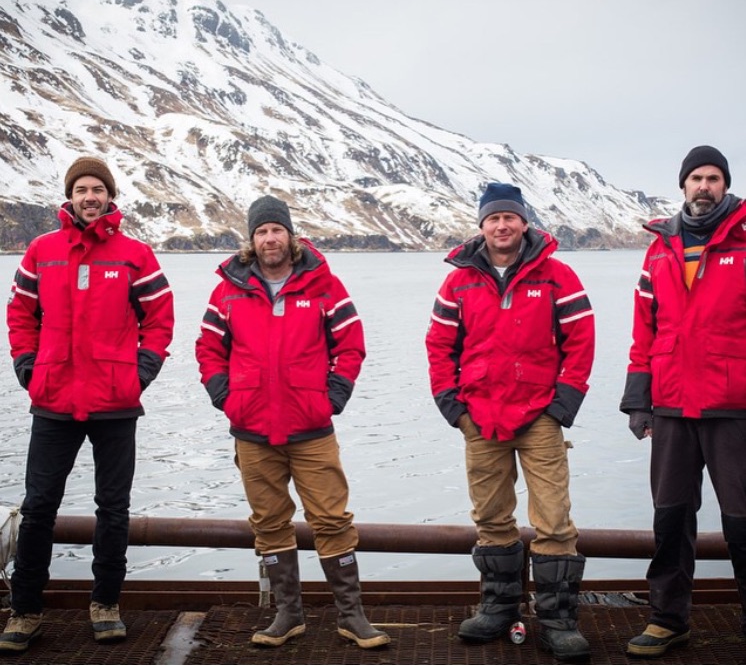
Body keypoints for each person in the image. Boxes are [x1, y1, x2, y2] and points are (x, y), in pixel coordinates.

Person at [195, 195, 389, 650]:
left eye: (276, 230)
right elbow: (208, 349)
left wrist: (333, 397)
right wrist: (226, 397)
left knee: (332, 519)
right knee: (268, 521)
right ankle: (288, 614)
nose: (269, 239)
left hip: (311, 427)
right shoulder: (227, 290)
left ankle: (352, 616)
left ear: (290, 234)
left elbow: (351, 345)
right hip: (252, 428)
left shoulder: (324, 286)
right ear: (252, 239)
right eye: (261, 232)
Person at [1, 156, 174, 653]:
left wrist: (140, 374)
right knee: (38, 508)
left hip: (115, 402)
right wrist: (27, 367)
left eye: (98, 188)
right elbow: (20, 313)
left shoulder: (136, 255)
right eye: (81, 189)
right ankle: (26, 611)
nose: (89, 196)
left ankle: (105, 605)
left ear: (110, 196)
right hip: (53, 399)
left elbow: (160, 319)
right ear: (70, 197)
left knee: (113, 510)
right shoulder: (41, 251)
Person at [425, 183, 595, 661]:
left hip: (540, 416)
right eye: (493, 219)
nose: (502, 226)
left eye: (510, 218)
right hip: (480, 418)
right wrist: (453, 407)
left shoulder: (558, 276)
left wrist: (562, 406)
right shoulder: (457, 282)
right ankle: (498, 608)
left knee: (555, 520)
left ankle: (558, 620)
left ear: (524, 223)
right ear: (482, 226)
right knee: (491, 518)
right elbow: (439, 347)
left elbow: (581, 341)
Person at [620, 145, 746, 657]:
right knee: (670, 517)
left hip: (733, 405)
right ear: (682, 185)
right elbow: (643, 329)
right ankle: (668, 619)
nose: (705, 186)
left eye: (714, 178)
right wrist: (638, 400)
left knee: (742, 521)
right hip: (671, 405)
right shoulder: (659, 249)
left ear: (726, 186)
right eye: (696, 177)